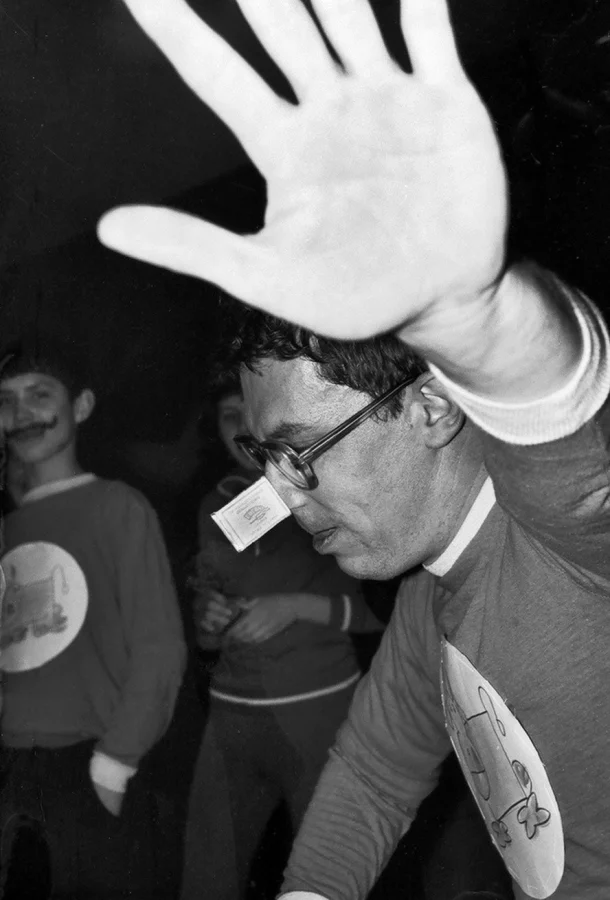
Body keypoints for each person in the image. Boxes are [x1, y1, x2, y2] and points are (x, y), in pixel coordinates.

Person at [98, 0, 610, 897]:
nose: (284, 497)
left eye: (301, 453)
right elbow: (372, 778)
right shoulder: (430, 597)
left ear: (431, 407)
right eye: (266, 459)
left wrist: (476, 324)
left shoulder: (566, 535)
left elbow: (564, 437)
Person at [181, 377, 383, 900]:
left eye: (251, 413)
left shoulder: (326, 491)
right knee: (208, 876)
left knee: (331, 874)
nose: (243, 427)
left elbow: (381, 614)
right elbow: (208, 632)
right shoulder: (214, 504)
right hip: (231, 716)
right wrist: (208, 619)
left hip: (319, 712)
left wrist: (295, 607)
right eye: (229, 416)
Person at [0, 338, 187, 899]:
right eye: (5, 400)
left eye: (39, 394)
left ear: (80, 406)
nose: (21, 412)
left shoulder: (117, 506)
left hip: (92, 761)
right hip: (12, 766)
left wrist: (114, 764)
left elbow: (159, 648)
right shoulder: (9, 527)